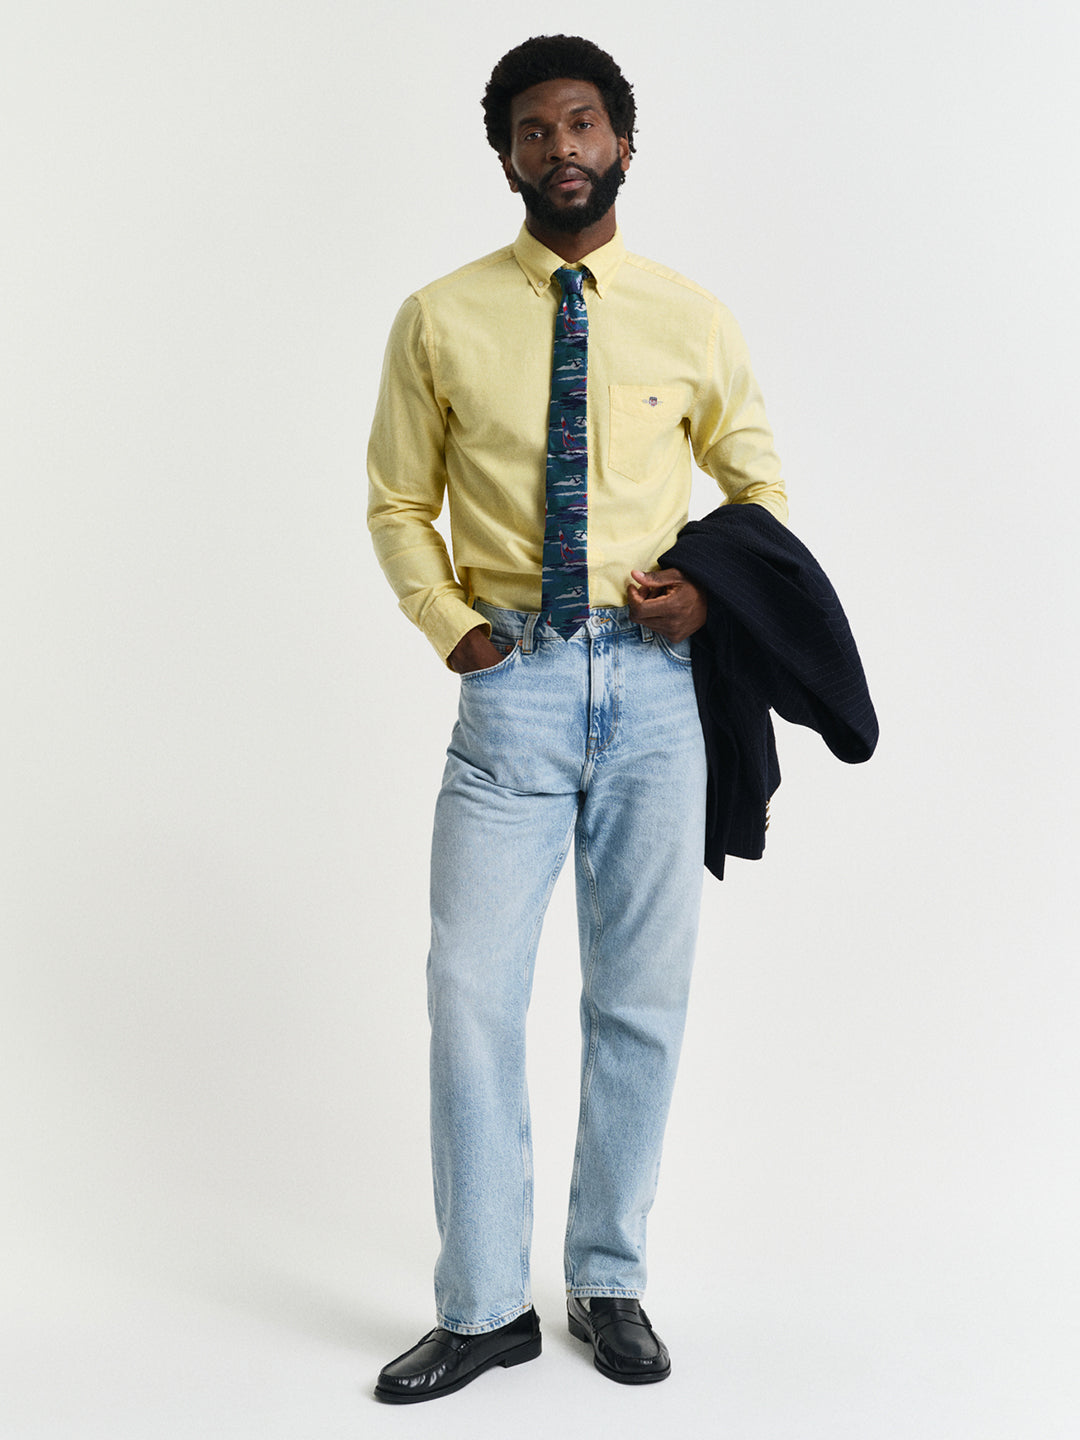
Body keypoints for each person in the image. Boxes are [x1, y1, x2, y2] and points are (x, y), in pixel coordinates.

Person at [367, 34, 787, 1403]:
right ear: (506, 157)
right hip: (516, 692)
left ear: (623, 144)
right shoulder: (438, 317)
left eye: (584, 123)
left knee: (640, 999)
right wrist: (454, 627)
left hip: (658, 696)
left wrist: (709, 596)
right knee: (470, 995)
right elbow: (397, 502)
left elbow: (759, 489)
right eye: (536, 130)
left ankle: (608, 1279)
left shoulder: (691, 317)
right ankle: (485, 1306)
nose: (563, 148)